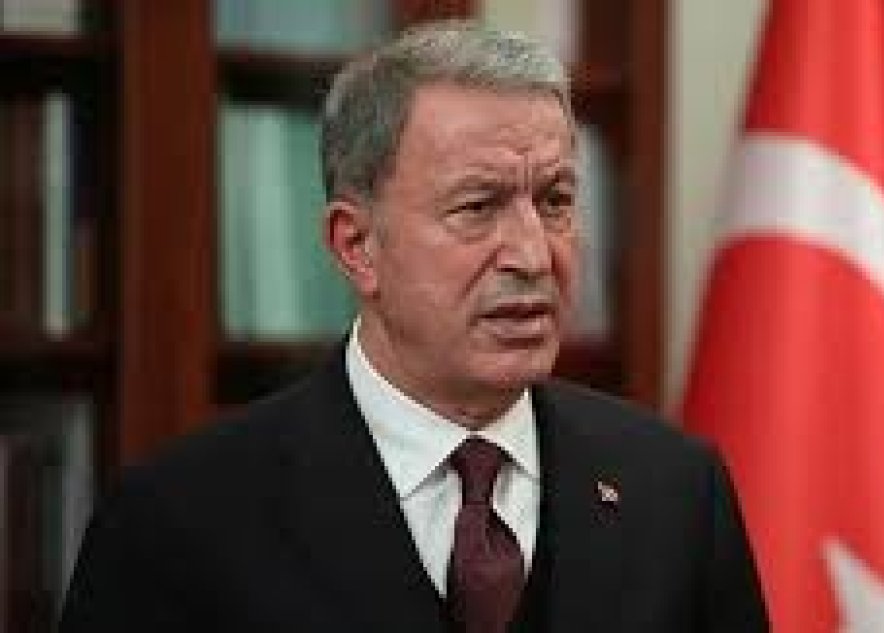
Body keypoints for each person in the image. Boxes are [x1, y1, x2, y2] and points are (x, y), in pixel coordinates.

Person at [57, 20, 768, 633]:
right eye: (477, 207)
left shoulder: (676, 491)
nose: (533, 255)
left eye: (554, 201)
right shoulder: (176, 522)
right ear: (356, 246)